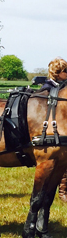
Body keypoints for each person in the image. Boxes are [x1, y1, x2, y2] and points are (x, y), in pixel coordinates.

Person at [40, 57, 67, 202]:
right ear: (58, 73)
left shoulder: (63, 87)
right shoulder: (47, 88)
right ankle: (62, 192)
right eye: (65, 71)